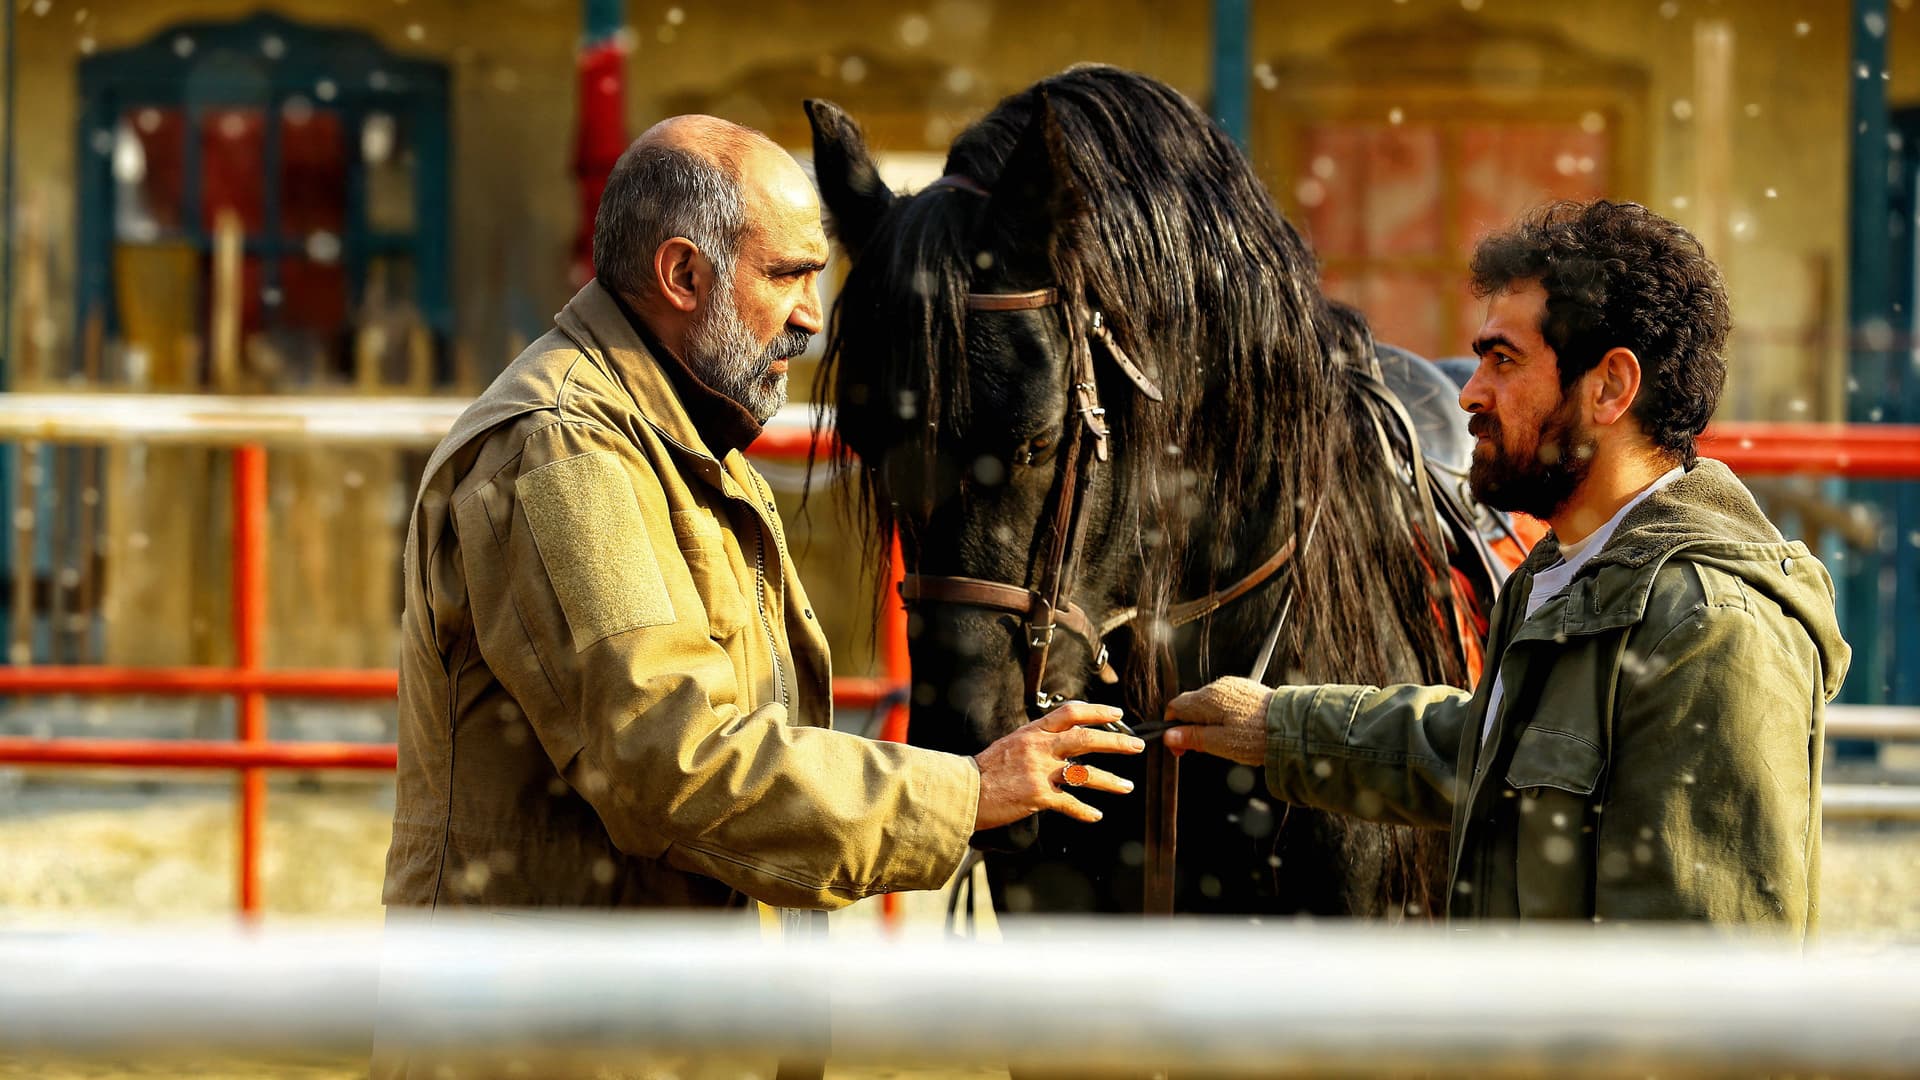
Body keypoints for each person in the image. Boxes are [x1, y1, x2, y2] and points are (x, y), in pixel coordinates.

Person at [382, 115, 1141, 919]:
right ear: (683, 275)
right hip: (567, 1037)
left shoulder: (683, 437)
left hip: (639, 1026)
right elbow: (667, 767)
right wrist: (968, 792)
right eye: (786, 276)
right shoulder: (565, 449)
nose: (811, 315)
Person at [1163, 200, 1848, 931]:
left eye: (1504, 360)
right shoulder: (1567, 574)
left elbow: (1700, 996)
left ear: (1611, 387)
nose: (1468, 392)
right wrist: (1279, 726)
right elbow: (1490, 755)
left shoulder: (1709, 629)